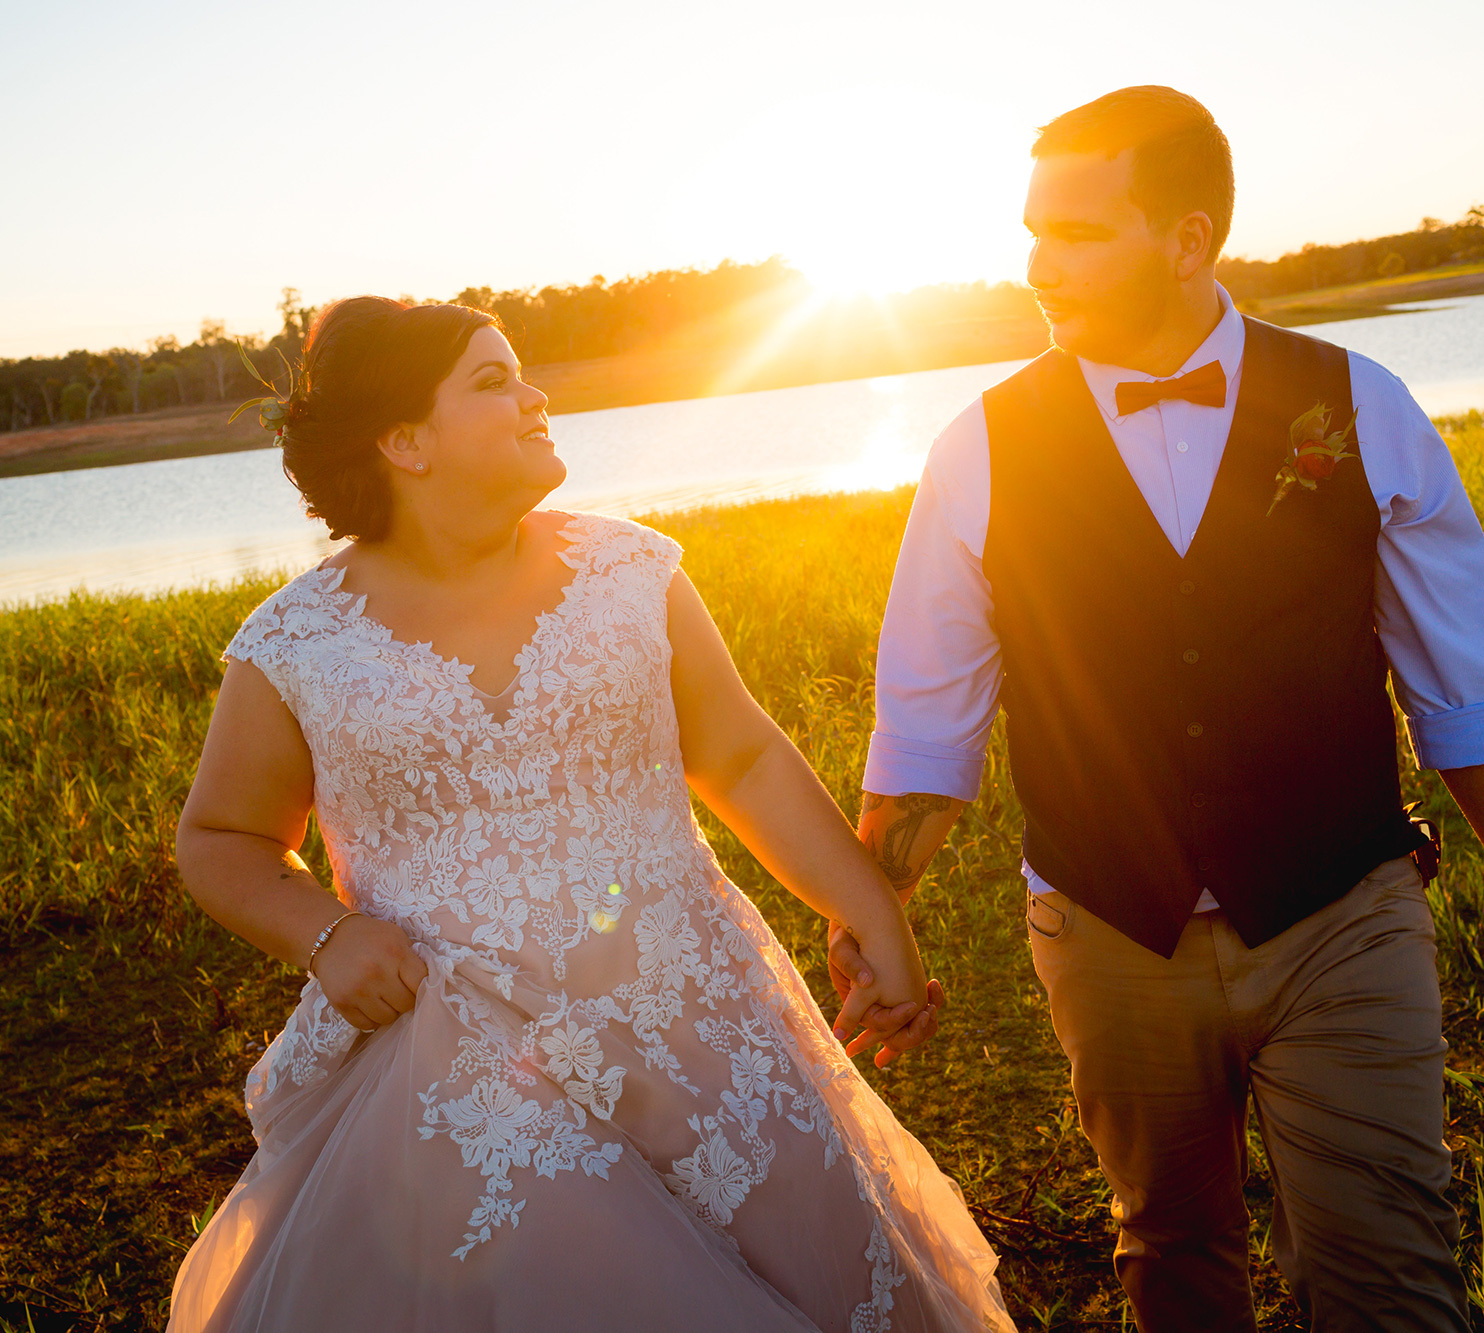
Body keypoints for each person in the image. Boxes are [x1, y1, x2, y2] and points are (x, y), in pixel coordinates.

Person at [835, 86, 1484, 1332]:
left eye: (1077, 232)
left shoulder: (1361, 406)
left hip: (1339, 911)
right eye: (1032, 229)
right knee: (1171, 1261)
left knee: (1391, 1274)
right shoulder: (978, 446)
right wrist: (876, 922)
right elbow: (927, 727)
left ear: (1187, 240)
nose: (1037, 265)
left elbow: (1461, 680)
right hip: (1105, 932)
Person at [167, 295, 1012, 1332]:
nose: (535, 396)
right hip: (464, 1068)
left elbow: (742, 757)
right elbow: (219, 840)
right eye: (491, 380)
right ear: (403, 440)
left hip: (698, 1022)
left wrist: (874, 912)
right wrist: (326, 933)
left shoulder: (628, 572)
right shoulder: (295, 641)